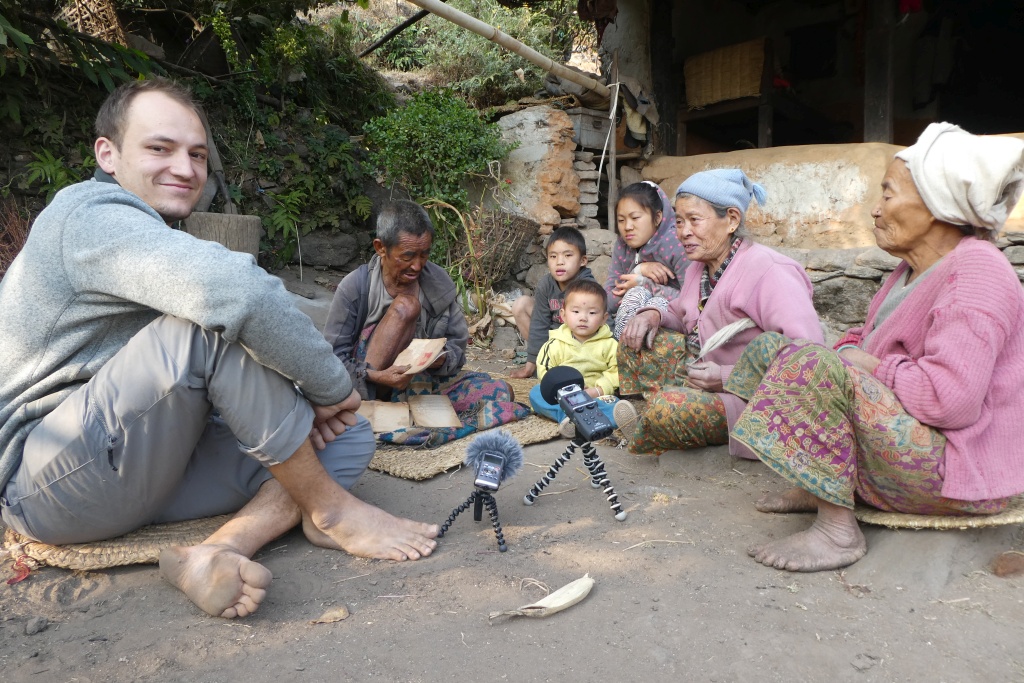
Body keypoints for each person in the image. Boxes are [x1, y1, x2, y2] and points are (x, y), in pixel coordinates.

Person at [0, 78, 438, 620]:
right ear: (107, 154)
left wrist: (317, 404)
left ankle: (218, 551)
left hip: (143, 460)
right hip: (50, 480)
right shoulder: (87, 215)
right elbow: (237, 295)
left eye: (197, 154)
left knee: (345, 437)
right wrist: (332, 387)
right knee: (206, 329)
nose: (184, 168)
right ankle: (328, 512)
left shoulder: (153, 234)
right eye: (159, 148)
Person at [726, 123, 1024, 572]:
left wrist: (869, 364)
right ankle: (819, 481)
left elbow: (952, 402)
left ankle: (836, 533)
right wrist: (855, 355)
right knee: (774, 348)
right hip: (916, 436)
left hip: (958, 467)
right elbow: (859, 340)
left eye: (887, 195)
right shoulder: (907, 271)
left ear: (937, 203)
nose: (876, 210)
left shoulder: (978, 273)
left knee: (811, 365)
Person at [617, 169, 823, 457]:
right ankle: (659, 417)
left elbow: (811, 358)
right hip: (705, 378)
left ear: (732, 220)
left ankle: (655, 422)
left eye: (694, 220)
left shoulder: (769, 271)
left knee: (668, 410)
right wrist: (653, 314)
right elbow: (683, 313)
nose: (684, 231)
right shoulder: (699, 267)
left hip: (751, 402)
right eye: (679, 221)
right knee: (634, 342)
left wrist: (727, 377)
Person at [324, 201, 522, 446]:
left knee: (502, 392)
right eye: (407, 256)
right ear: (380, 248)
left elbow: (457, 352)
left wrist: (439, 359)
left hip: (422, 387)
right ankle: (376, 407)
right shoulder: (355, 287)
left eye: (424, 254)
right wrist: (376, 376)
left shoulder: (438, 283)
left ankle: (403, 415)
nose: (417, 265)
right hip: (369, 387)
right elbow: (332, 359)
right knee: (406, 307)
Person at [527, 279, 629, 438]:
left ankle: (612, 418)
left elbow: (618, 371)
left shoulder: (609, 344)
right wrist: (565, 393)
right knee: (536, 394)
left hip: (596, 395)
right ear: (563, 315)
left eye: (592, 313)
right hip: (563, 397)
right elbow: (546, 372)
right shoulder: (555, 344)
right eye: (576, 312)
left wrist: (598, 389)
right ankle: (567, 418)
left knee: (613, 404)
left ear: (604, 318)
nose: (583, 318)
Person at [509, 226, 597, 380]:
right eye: (553, 256)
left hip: (579, 344)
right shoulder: (546, 284)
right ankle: (543, 362)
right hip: (552, 342)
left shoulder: (586, 287)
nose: (560, 262)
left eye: (568, 255)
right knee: (520, 304)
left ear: (583, 261)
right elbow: (539, 323)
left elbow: (600, 326)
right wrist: (531, 364)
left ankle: (569, 367)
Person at [606, 181, 689, 339]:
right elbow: (608, 302)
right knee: (635, 295)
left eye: (635, 218)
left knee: (654, 303)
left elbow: (691, 303)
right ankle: (622, 356)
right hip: (629, 319)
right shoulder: (622, 245)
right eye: (621, 220)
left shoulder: (676, 244)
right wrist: (639, 270)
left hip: (674, 323)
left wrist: (644, 283)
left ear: (657, 217)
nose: (627, 227)